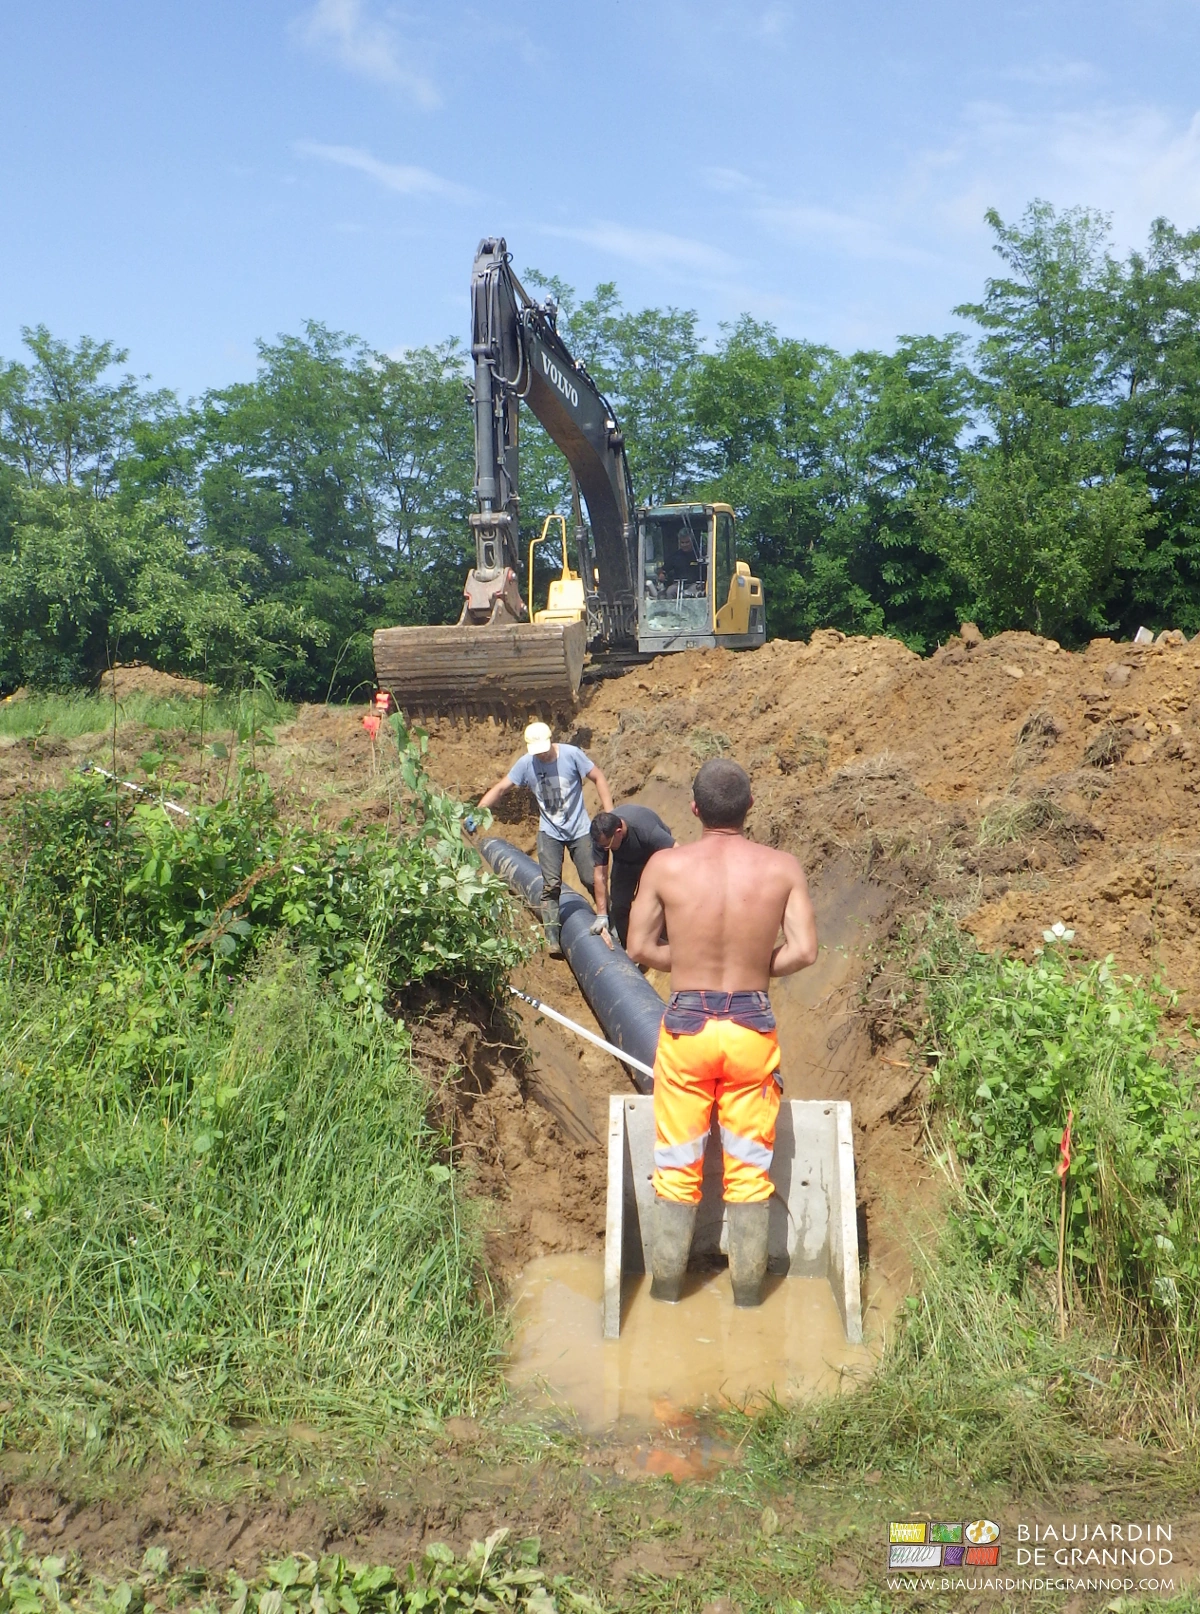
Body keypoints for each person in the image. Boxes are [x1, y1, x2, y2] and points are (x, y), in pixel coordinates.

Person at [626, 758, 817, 1308]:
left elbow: (638, 947)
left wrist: (687, 964)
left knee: (678, 1169)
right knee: (750, 1174)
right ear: (750, 807)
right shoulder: (782, 868)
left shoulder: (666, 865)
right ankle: (749, 1303)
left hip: (687, 1028)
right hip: (751, 1028)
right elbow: (804, 951)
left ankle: (665, 1297)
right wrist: (756, 967)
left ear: (694, 809)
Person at [477, 721, 613, 956]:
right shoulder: (526, 764)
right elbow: (501, 788)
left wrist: (610, 814)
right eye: (536, 750)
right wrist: (477, 812)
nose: (540, 754)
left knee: (591, 878)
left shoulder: (571, 755)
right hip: (549, 832)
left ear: (550, 741)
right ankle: (552, 937)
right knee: (550, 886)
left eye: (543, 748)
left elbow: (598, 778)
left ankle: (610, 922)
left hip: (579, 829)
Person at [589, 805, 675, 948]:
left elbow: (677, 853)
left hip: (653, 857)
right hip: (624, 861)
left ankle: (664, 942)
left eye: (607, 846)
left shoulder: (646, 830)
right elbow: (600, 875)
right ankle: (629, 949)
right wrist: (602, 915)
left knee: (650, 904)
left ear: (618, 832)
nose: (605, 850)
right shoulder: (602, 837)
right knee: (619, 905)